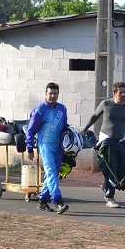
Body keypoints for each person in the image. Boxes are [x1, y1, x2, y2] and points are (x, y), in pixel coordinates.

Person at [82, 81, 125, 208]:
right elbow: (94, 116)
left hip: (121, 140)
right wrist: (84, 129)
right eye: (120, 92)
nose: (123, 94)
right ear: (114, 93)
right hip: (107, 140)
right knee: (111, 167)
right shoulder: (106, 104)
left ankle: (106, 186)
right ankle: (110, 197)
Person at [25, 82, 70, 214]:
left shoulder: (62, 109)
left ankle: (42, 200)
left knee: (54, 174)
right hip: (45, 146)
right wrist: (29, 148)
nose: (52, 96)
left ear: (58, 94)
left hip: (59, 146)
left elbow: (65, 125)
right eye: (50, 93)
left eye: (55, 93)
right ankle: (58, 202)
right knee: (51, 173)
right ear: (45, 94)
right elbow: (31, 130)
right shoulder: (40, 111)